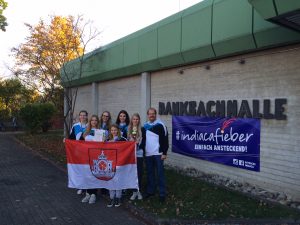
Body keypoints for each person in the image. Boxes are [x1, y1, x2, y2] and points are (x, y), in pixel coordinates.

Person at [141, 107, 169, 203]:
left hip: (158, 153)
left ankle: (162, 193)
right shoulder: (144, 126)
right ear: (147, 115)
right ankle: (150, 191)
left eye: (153, 113)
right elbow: (143, 140)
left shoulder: (161, 125)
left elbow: (165, 140)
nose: (151, 115)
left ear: (155, 114)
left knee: (160, 174)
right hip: (148, 154)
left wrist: (164, 152)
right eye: (150, 114)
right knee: (150, 173)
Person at [80, 115, 100, 204]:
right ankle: (88, 193)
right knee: (87, 175)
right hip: (87, 156)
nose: (94, 122)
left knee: (94, 175)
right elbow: (78, 143)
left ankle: (93, 194)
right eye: (92, 120)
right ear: (90, 121)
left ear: (97, 122)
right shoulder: (85, 132)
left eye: (96, 120)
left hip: (96, 156)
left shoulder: (101, 132)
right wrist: (67, 140)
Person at [106, 124, 127, 207]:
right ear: (110, 131)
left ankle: (118, 197)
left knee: (118, 179)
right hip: (110, 163)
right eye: (112, 130)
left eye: (115, 130)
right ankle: (111, 197)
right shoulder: (107, 140)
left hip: (119, 163)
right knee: (111, 179)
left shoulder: (122, 139)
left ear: (118, 130)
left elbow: (127, 148)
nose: (113, 132)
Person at [68, 110, 88, 195]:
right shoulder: (75, 126)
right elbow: (71, 138)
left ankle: (87, 187)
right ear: (79, 116)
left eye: (84, 115)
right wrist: (66, 140)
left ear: (87, 116)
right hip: (78, 152)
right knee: (80, 169)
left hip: (87, 152)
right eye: (81, 115)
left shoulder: (89, 126)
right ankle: (80, 186)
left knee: (87, 169)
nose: (82, 117)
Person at [127, 113, 144, 200]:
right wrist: (132, 141)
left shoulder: (142, 129)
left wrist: (138, 143)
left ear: (139, 120)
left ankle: (139, 191)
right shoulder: (129, 129)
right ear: (131, 120)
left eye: (137, 119)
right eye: (134, 119)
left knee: (139, 173)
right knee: (133, 173)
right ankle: (134, 192)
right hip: (131, 155)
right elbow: (126, 142)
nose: (135, 121)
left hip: (139, 154)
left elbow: (144, 142)